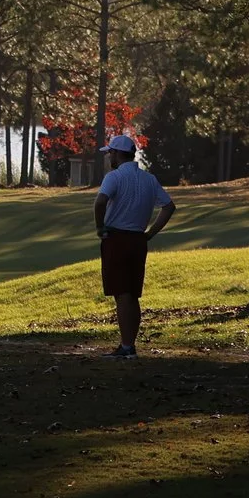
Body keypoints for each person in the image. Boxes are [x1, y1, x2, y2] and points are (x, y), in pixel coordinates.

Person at [94, 132, 176, 358]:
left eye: (110, 152)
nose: (109, 155)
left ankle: (127, 347)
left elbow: (100, 202)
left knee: (121, 293)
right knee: (132, 293)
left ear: (118, 154)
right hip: (138, 240)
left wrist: (100, 228)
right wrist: (151, 233)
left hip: (117, 238)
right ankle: (129, 344)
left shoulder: (114, 177)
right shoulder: (149, 179)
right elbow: (168, 206)